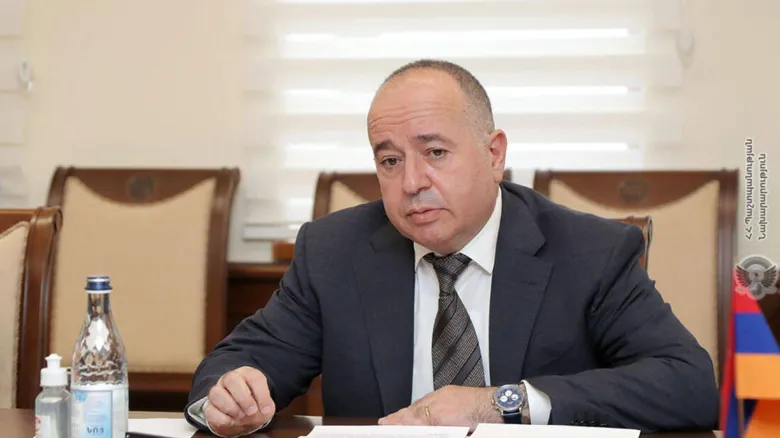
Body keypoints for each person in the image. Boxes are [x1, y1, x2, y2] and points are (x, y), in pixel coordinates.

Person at [184, 59, 719, 437]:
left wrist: (501, 404)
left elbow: (688, 383)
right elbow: (235, 363)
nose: (412, 181)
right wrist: (228, 396)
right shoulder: (334, 251)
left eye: (435, 152)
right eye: (390, 161)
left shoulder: (590, 251)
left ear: (494, 154)